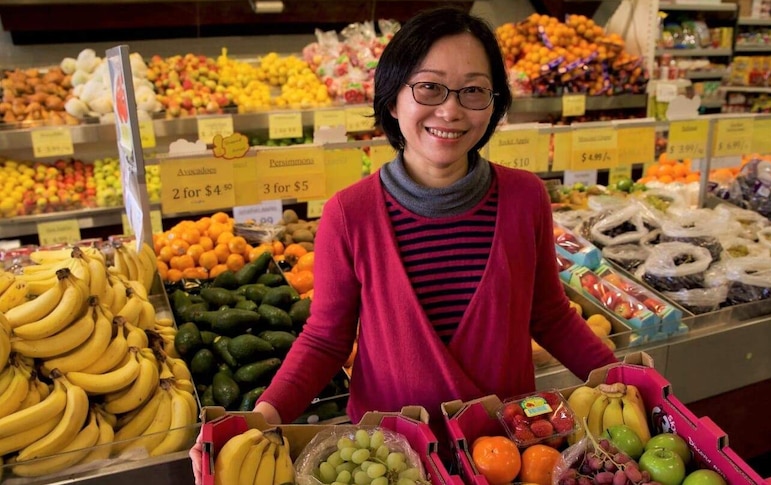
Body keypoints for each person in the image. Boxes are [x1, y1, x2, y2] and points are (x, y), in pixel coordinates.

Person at [190, 7, 618, 481]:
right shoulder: (349, 214)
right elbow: (326, 338)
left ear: (494, 104)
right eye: (429, 87)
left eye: (473, 91)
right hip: (388, 460)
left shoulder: (525, 198)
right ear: (393, 99)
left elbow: (551, 315)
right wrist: (264, 418)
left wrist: (622, 381)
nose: (450, 110)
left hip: (504, 453)